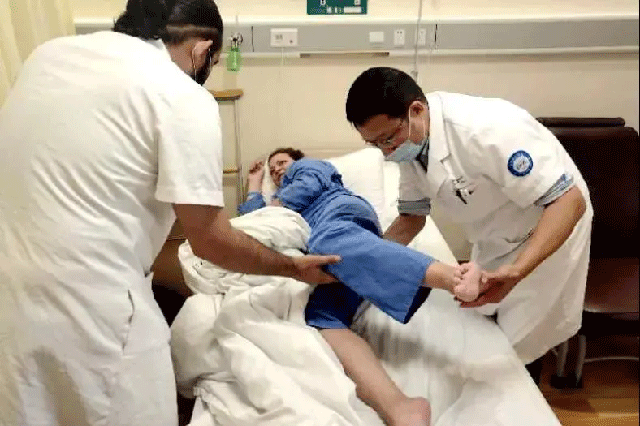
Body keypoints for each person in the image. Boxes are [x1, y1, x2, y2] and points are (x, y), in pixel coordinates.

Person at [0, 1, 339, 425]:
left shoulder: (48, 56)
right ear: (202, 50)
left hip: (11, 295)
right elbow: (211, 240)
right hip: (95, 309)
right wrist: (292, 267)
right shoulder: (181, 95)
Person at [345, 67, 593, 381]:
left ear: (416, 110)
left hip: (547, 230)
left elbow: (568, 201)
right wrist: (367, 260)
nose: (387, 151)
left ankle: (522, 392)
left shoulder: (487, 129)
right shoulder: (411, 143)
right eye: (376, 144)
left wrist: (518, 270)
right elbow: (411, 218)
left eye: (388, 139)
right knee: (484, 323)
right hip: (496, 236)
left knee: (516, 346)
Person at [238, 147, 482, 426]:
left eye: (282, 162)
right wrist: (255, 184)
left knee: (329, 243)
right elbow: (253, 224)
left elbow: (306, 187)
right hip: (324, 254)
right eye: (272, 170)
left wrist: (275, 204)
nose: (277, 170)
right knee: (321, 316)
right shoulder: (278, 198)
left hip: (338, 216)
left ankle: (454, 276)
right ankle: (399, 407)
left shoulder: (308, 169)